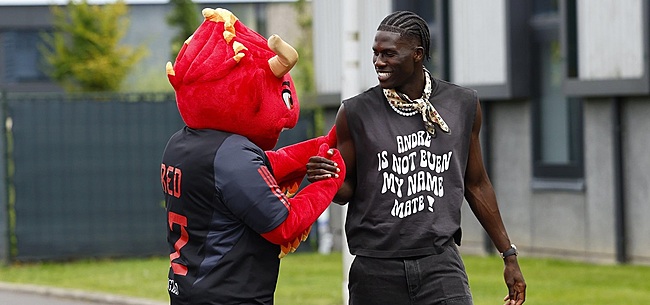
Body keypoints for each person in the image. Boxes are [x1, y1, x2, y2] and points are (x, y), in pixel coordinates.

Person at [332, 10, 526, 305]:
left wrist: (508, 255)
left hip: (440, 264)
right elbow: (346, 191)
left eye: (389, 54)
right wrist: (329, 179)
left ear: (417, 55)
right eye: (375, 53)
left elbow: (477, 185)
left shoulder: (462, 104)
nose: (378, 62)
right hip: (375, 268)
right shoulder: (356, 112)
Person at [162, 7, 344, 304]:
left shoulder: (181, 143)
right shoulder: (233, 155)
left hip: (188, 290)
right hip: (231, 295)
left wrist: (326, 143)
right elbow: (283, 225)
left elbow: (264, 167)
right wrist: (331, 178)